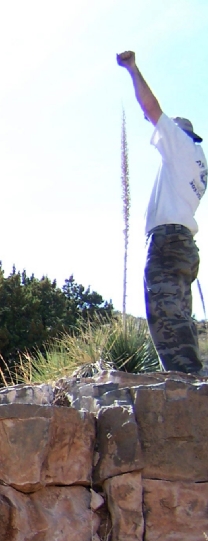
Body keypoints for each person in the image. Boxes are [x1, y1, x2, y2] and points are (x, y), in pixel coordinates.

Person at [118, 50, 207, 374]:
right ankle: (191, 380)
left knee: (166, 320)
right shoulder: (197, 164)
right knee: (180, 316)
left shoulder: (181, 145)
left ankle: (188, 387)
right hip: (183, 245)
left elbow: (151, 109)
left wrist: (132, 68)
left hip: (168, 243)